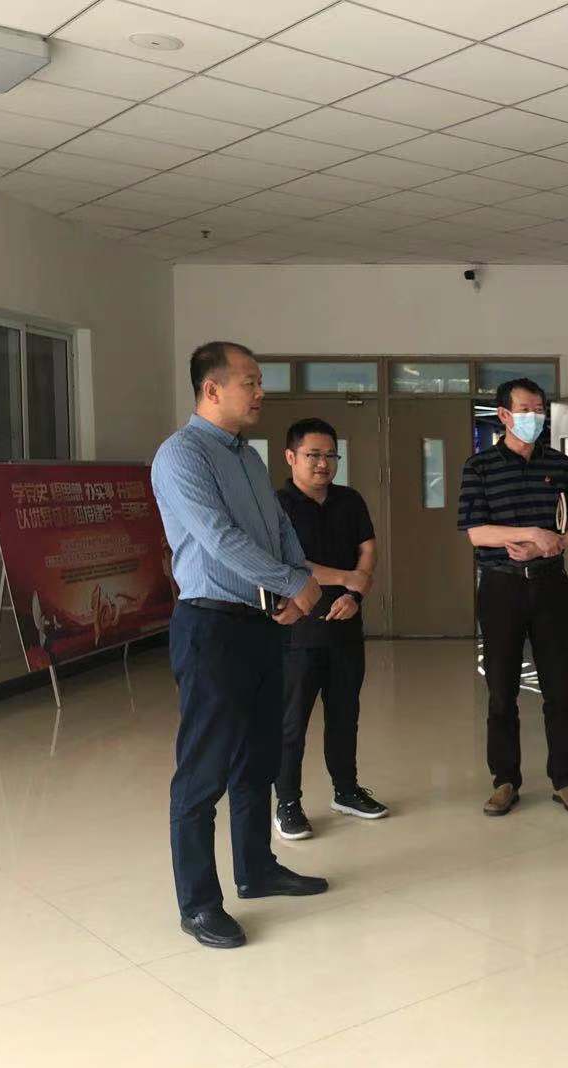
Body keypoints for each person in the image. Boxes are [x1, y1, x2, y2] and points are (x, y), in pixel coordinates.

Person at [151, 342, 329, 950]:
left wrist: (294, 582)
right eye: (249, 382)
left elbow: (278, 527)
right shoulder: (181, 455)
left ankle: (257, 870)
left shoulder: (248, 457)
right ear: (211, 390)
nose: (260, 392)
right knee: (203, 771)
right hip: (211, 627)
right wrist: (293, 583)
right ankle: (199, 904)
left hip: (262, 623)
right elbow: (219, 538)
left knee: (259, 757)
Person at [457, 378, 568, 817]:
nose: (534, 417)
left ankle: (565, 780)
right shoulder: (479, 467)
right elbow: (476, 532)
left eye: (539, 409)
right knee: (501, 690)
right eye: (525, 409)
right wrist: (531, 533)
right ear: (504, 415)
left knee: (559, 689)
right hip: (501, 586)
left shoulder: (559, 464)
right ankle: (505, 781)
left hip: (550, 584)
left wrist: (556, 542)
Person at [273, 418, 387, 843]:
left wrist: (355, 594)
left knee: (344, 716)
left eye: (330, 455)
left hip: (345, 629)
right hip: (296, 634)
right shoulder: (277, 506)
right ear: (291, 457)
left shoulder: (349, 500)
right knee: (291, 724)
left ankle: (346, 790)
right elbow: (289, 564)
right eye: (313, 455)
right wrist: (346, 578)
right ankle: (287, 802)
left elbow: (367, 550)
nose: (323, 464)